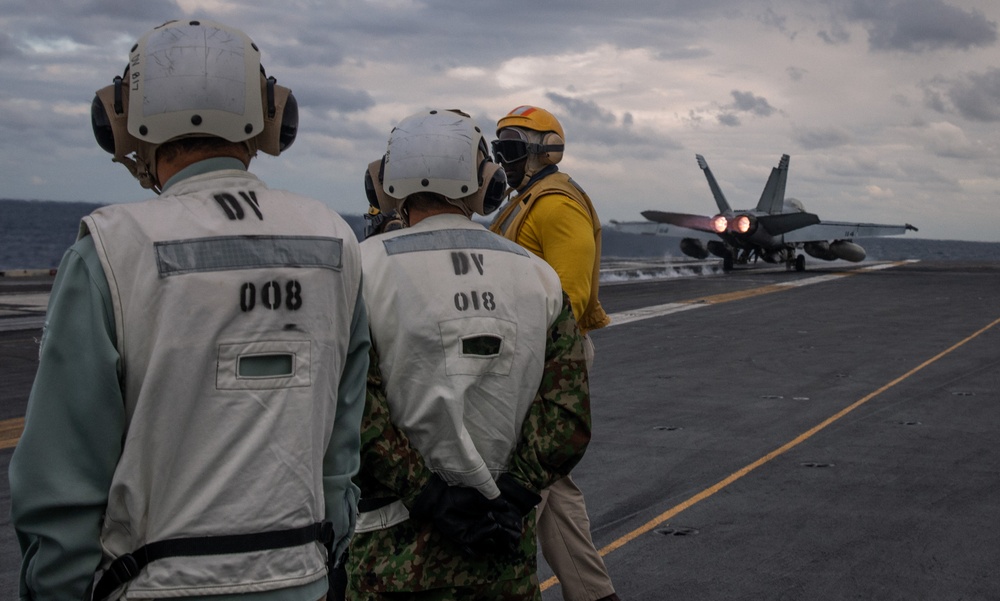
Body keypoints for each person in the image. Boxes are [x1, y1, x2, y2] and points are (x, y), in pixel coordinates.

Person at [9, 20, 368, 601]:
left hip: (153, 584)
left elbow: (62, 476)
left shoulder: (109, 247)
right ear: (271, 118)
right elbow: (340, 445)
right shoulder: (336, 241)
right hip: (303, 577)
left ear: (122, 122)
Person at [345, 108, 593, 600]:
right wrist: (514, 496)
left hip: (389, 562)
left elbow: (353, 410)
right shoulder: (539, 277)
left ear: (385, 183)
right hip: (502, 556)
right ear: (487, 183)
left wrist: (433, 497)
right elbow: (567, 414)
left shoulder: (359, 269)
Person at [489, 105, 618, 601]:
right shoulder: (527, 202)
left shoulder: (557, 204)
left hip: (546, 358)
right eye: (501, 149)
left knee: (522, 482)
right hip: (534, 353)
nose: (505, 159)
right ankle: (594, 594)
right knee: (553, 488)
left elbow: (571, 296)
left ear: (545, 151)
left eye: (513, 149)